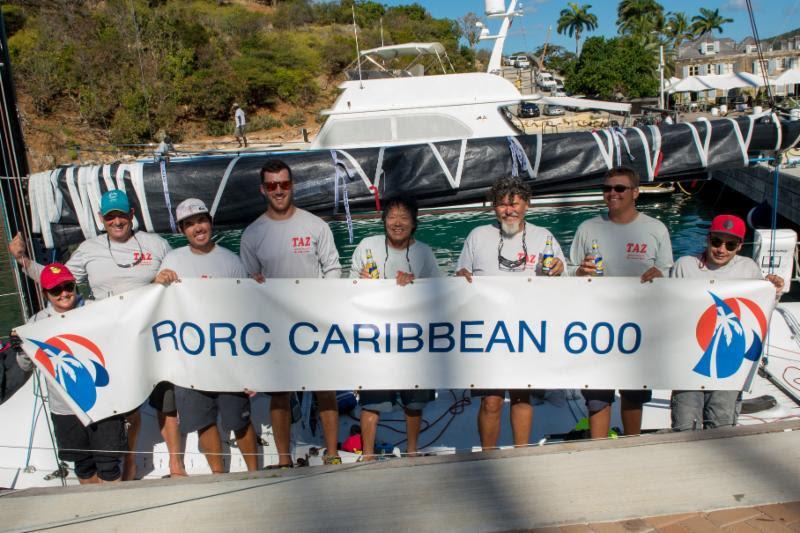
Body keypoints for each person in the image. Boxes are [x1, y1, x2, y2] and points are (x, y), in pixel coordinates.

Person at [8, 189, 184, 479]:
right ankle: (128, 464)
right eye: (110, 216)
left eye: (122, 215)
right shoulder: (89, 250)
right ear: (102, 219)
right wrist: (24, 260)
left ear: (132, 215)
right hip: (113, 343)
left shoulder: (158, 244)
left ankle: (177, 467)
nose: (117, 221)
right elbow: (57, 277)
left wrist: (169, 277)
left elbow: (182, 279)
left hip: (155, 339)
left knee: (167, 402)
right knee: (127, 406)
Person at [240, 159, 342, 467]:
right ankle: (284, 459)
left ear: (292, 185)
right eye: (272, 186)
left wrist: (322, 305)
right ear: (263, 190)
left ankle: (333, 453)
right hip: (275, 325)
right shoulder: (252, 234)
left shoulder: (315, 225)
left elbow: (333, 268)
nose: (279, 190)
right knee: (280, 394)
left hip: (314, 322)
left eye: (284, 184)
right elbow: (245, 283)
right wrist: (254, 285)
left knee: (325, 389)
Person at [456, 177, 566, 450]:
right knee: (491, 400)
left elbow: (567, 278)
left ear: (526, 205)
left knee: (522, 395)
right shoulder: (477, 236)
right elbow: (461, 276)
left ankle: (522, 453)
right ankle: (488, 455)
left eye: (514, 203)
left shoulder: (544, 237)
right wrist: (460, 276)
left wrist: (561, 268)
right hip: (488, 330)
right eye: (502, 205)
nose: (508, 210)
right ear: (494, 207)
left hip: (527, 329)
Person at [154, 198, 260, 473]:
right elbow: (159, 304)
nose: (197, 228)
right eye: (189, 224)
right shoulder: (172, 260)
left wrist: (250, 364)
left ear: (210, 222)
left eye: (201, 220)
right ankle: (218, 476)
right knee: (204, 421)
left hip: (228, 357)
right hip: (191, 360)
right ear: (182, 230)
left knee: (239, 421)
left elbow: (247, 311)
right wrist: (159, 281)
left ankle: (255, 474)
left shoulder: (231, 260)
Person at [570, 165, 674, 439]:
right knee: (597, 394)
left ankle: (632, 446)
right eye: (607, 188)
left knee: (634, 392)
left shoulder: (656, 229)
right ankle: (598, 450)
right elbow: (568, 272)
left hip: (638, 323)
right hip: (596, 323)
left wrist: (660, 275)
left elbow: (669, 275)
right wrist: (579, 272)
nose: (612, 193)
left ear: (636, 193)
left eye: (619, 188)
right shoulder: (587, 227)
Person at [14, 263, 127, 483]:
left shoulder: (99, 308)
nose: (64, 293)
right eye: (56, 290)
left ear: (75, 285)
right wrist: (22, 349)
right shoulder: (35, 323)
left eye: (68, 286)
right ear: (45, 293)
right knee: (83, 466)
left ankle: (116, 508)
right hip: (64, 408)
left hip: (104, 402)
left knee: (109, 465)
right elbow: (26, 366)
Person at [670, 214, 784, 431]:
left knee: (721, 424)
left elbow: (760, 308)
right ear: (708, 238)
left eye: (730, 244)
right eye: (716, 242)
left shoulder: (749, 268)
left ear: (739, 246)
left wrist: (773, 291)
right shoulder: (684, 265)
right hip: (688, 359)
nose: (721, 249)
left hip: (730, 362)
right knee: (684, 424)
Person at [349, 196, 442, 459]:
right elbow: (347, 288)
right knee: (371, 400)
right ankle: (367, 455)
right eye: (391, 217)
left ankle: (412, 451)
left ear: (414, 223)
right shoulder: (367, 246)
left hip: (413, 339)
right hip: (376, 339)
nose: (397, 223)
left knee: (414, 401)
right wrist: (361, 282)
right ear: (383, 221)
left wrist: (416, 285)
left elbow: (440, 291)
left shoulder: (424, 252)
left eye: (404, 218)